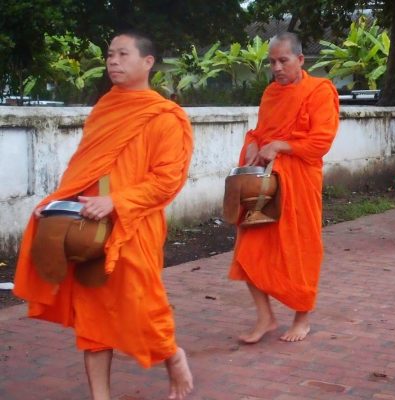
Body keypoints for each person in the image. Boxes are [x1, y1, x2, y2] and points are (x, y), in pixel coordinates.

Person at [13, 31, 194, 399]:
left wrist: (118, 201)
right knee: (93, 316)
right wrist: (62, 203)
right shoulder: (105, 108)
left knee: (141, 304)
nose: (113, 61)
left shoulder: (165, 116)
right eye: (110, 54)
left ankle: (172, 355)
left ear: (147, 62)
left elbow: (167, 180)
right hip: (88, 225)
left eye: (123, 54)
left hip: (134, 225)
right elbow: (85, 167)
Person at [228, 32, 340, 344]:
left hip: (300, 182)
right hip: (266, 183)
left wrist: (281, 145)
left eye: (283, 61)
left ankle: (302, 317)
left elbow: (321, 141)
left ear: (301, 60)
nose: (276, 68)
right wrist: (254, 145)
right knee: (248, 250)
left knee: (299, 249)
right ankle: (265, 317)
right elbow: (261, 132)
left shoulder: (319, 91)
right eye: (272, 62)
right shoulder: (270, 94)